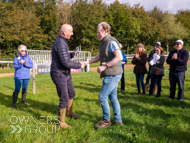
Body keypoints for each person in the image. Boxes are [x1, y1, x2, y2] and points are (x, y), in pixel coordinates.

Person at [84, 22, 123, 128]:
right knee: (113, 97)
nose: (97, 34)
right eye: (97, 32)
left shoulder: (111, 42)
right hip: (112, 74)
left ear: (105, 31)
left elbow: (119, 57)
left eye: (99, 32)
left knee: (102, 96)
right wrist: (86, 62)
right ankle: (118, 120)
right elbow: (98, 57)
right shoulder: (104, 42)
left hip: (113, 74)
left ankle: (106, 121)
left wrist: (105, 66)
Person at [50, 24, 84, 129]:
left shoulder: (62, 42)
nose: (72, 33)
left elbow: (63, 57)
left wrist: (71, 54)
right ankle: (61, 122)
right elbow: (65, 62)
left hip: (65, 73)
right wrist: (80, 65)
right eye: (71, 31)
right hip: (59, 74)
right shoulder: (60, 43)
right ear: (64, 32)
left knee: (72, 93)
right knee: (64, 97)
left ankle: (69, 112)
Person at [12, 45, 33, 109]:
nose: (23, 51)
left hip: (26, 76)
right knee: (17, 89)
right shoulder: (17, 57)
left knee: (25, 89)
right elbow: (15, 66)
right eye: (22, 50)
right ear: (19, 51)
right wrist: (20, 64)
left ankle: (23, 101)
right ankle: (14, 103)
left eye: (24, 50)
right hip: (18, 76)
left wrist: (26, 64)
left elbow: (31, 65)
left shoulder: (28, 57)